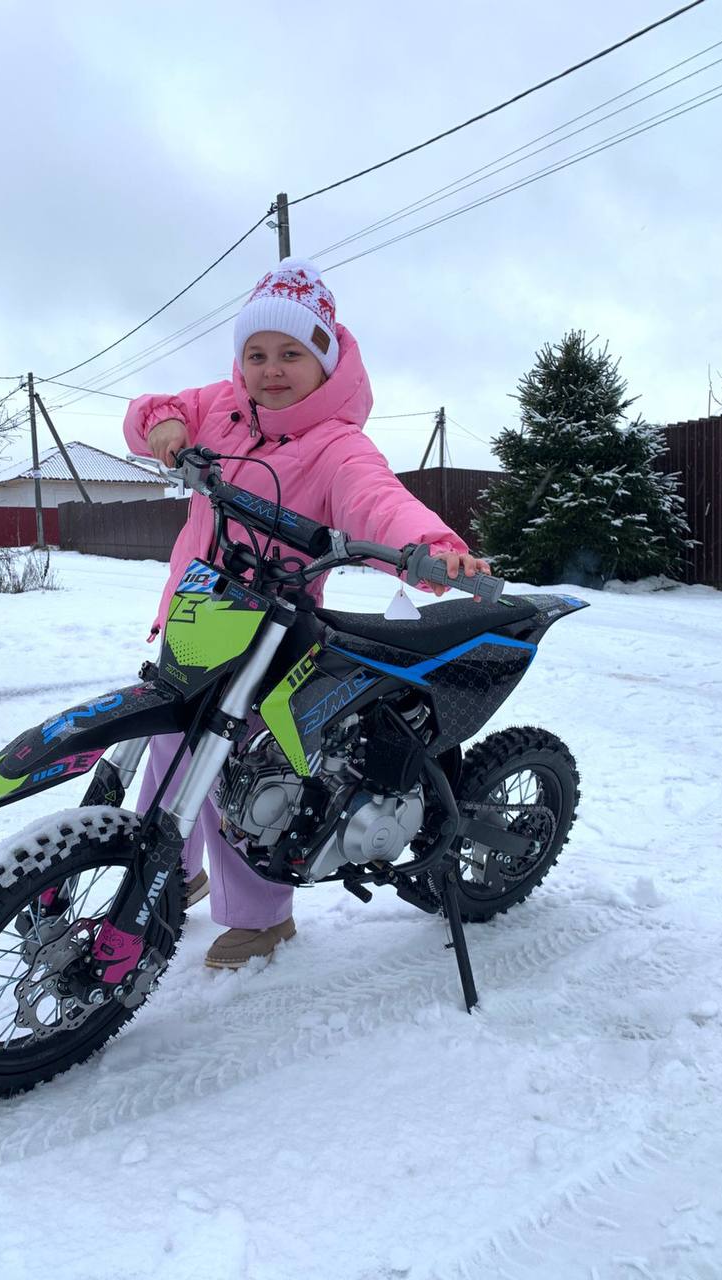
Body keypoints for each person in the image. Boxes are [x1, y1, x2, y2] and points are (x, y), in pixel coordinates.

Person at [123, 258, 489, 969]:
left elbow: (377, 500)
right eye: (257, 353)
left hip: (268, 632)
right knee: (169, 741)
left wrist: (434, 548)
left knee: (238, 771)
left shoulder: (336, 443)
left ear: (325, 360)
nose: (271, 369)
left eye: (291, 353)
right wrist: (164, 427)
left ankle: (260, 918)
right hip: (197, 615)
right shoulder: (220, 407)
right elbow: (151, 410)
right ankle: (159, 873)